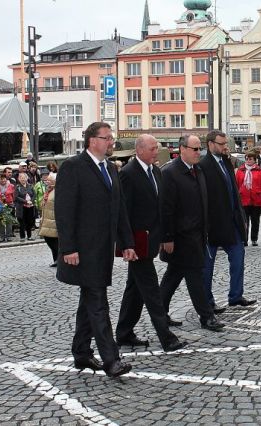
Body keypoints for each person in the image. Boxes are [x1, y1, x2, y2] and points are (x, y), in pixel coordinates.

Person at [54, 121, 136, 377]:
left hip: (103, 249)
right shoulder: (73, 167)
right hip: (83, 250)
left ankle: (81, 352)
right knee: (98, 303)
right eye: (107, 137)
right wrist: (68, 247)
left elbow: (120, 209)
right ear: (92, 140)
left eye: (111, 137)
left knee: (89, 301)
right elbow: (64, 211)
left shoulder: (110, 168)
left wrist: (127, 243)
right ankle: (111, 360)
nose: (111, 142)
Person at [115, 134, 190, 350]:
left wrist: (165, 236)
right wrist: (126, 243)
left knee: (134, 290)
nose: (156, 152)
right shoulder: (128, 174)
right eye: (152, 148)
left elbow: (160, 208)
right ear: (139, 150)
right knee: (151, 291)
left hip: (151, 239)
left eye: (156, 148)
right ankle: (166, 338)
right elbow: (124, 212)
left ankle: (124, 331)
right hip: (137, 242)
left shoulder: (156, 171)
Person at [160, 135, 225, 332]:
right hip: (181, 236)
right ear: (182, 149)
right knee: (195, 275)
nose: (199, 153)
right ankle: (206, 316)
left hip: (197, 234)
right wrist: (167, 237)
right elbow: (166, 208)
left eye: (200, 149)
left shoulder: (198, 170)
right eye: (195, 149)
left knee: (172, 277)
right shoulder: (170, 172)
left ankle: (159, 312)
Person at [200, 130, 257, 310]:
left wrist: (241, 216)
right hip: (213, 224)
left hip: (232, 221)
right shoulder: (203, 165)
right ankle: (207, 302)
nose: (225, 147)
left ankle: (236, 295)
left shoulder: (226, 161)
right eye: (222, 143)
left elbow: (234, 192)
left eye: (226, 143)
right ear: (210, 144)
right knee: (207, 267)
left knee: (238, 258)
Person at [236, 152, 261, 246]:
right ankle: (244, 239)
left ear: (255, 160)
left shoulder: (260, 171)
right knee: (244, 222)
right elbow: (236, 184)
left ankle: (254, 239)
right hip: (244, 199)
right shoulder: (240, 170)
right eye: (247, 159)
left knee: (255, 221)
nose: (248, 161)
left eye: (250, 159)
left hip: (256, 199)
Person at [38, 173, 59, 267]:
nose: (47, 182)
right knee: (49, 239)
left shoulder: (58, 190)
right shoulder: (49, 191)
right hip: (46, 219)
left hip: (53, 219)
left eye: (49, 180)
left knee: (54, 240)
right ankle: (56, 259)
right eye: (47, 180)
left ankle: (59, 259)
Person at [0, 173, 15, 242]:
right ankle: (2, 237)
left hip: (9, 205)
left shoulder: (11, 186)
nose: (3, 180)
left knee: (9, 221)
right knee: (0, 222)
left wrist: (13, 204)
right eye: (1, 179)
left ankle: (8, 236)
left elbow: (13, 196)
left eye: (4, 178)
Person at [14, 173, 36, 241]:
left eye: (24, 177)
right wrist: (26, 201)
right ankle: (22, 237)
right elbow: (16, 197)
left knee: (29, 222)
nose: (23, 179)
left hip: (30, 206)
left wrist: (31, 201)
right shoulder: (18, 187)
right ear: (19, 179)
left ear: (27, 178)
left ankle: (29, 236)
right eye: (21, 178)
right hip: (21, 207)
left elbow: (34, 194)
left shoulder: (30, 186)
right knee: (22, 223)